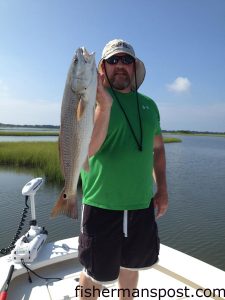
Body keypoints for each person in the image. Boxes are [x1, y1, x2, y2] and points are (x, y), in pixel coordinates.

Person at [78, 39, 168, 300]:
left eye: (126, 60)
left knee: (132, 265)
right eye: (113, 60)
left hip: (141, 205)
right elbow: (87, 150)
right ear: (102, 68)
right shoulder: (90, 102)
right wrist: (104, 105)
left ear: (134, 67)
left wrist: (162, 188)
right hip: (101, 206)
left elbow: (158, 149)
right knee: (95, 273)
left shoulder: (149, 106)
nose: (120, 65)